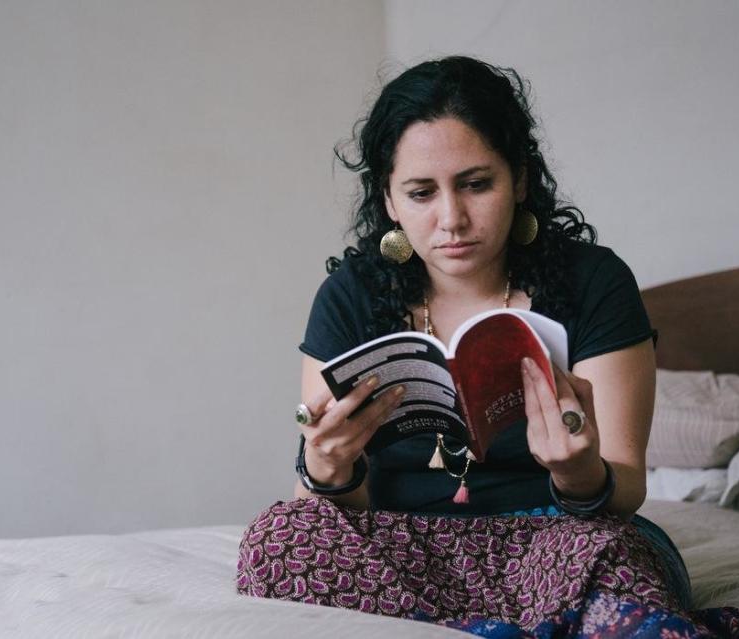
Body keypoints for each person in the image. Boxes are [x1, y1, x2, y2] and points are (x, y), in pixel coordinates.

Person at [237, 56, 692, 628]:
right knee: (279, 539)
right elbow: (334, 511)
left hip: (559, 542)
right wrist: (328, 467)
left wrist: (578, 474)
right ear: (389, 201)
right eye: (421, 193)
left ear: (520, 179)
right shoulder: (349, 298)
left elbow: (624, 490)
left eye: (476, 185)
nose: (452, 219)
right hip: (408, 547)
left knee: (619, 560)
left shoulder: (592, 282)